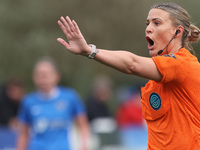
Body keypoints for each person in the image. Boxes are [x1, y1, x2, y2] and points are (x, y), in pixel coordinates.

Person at [57, 2, 200, 149]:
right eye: (148, 23)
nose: (148, 29)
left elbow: (132, 64)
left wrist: (89, 50)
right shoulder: (155, 81)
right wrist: (88, 50)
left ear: (178, 32)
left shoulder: (182, 64)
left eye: (157, 23)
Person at [17, 57, 90, 150]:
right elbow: (23, 133)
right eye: (39, 75)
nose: (43, 79)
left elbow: (83, 125)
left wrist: (84, 146)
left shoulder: (70, 97)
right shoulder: (28, 101)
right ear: (33, 77)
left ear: (57, 76)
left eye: (47, 74)